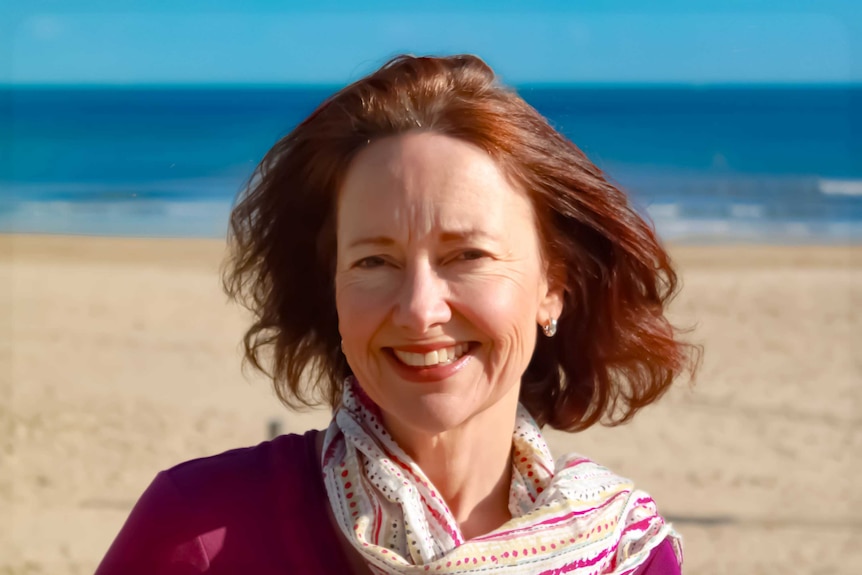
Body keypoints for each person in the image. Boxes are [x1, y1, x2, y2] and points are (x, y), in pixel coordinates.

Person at [96, 54, 698, 574]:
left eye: (468, 255)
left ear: (553, 286)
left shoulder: (627, 557)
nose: (418, 309)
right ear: (330, 286)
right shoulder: (200, 528)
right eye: (374, 261)